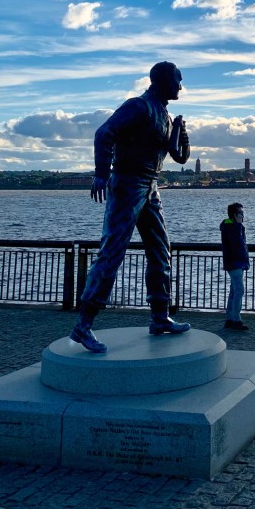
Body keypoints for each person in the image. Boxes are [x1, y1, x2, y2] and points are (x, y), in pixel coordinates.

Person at [69, 61, 192, 353]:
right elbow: (104, 133)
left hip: (150, 186)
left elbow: (179, 157)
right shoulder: (138, 106)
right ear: (162, 81)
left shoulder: (166, 115)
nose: (181, 86)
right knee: (111, 253)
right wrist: (102, 172)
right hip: (127, 184)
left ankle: (160, 316)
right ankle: (83, 326)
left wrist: (182, 136)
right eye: (177, 80)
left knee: (161, 251)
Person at [220, 202, 250, 331]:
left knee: (234, 290)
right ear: (234, 215)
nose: (242, 215)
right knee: (239, 290)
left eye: (242, 213)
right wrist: (238, 226)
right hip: (234, 262)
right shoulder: (232, 227)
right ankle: (236, 320)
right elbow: (237, 243)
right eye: (240, 213)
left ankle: (230, 319)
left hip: (237, 262)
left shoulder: (233, 226)